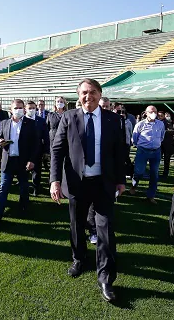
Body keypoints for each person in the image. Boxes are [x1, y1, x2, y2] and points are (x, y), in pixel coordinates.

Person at [50, 78, 125, 302]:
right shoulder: (69, 117)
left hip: (104, 183)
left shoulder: (113, 119)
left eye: (92, 92)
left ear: (100, 95)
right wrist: (55, 180)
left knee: (105, 230)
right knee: (77, 225)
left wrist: (120, 180)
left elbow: (119, 152)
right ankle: (79, 258)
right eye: (84, 92)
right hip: (76, 183)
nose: (88, 96)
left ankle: (105, 278)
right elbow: (57, 150)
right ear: (78, 95)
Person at [0, 99, 38, 222]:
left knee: (24, 187)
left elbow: (35, 144)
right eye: (15, 108)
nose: (18, 110)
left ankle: (23, 209)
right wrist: (0, 142)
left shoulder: (31, 123)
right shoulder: (4, 123)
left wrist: (32, 160)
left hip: (23, 161)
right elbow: (0, 137)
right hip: (8, 160)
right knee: (3, 187)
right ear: (11, 110)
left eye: (20, 108)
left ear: (24, 109)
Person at [130, 105, 165, 204]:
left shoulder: (160, 124)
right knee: (139, 172)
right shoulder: (140, 124)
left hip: (156, 151)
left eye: (155, 111)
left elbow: (162, 136)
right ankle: (134, 185)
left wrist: (156, 144)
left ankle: (151, 196)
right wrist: (142, 146)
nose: (153, 113)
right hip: (143, 151)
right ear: (146, 113)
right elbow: (135, 138)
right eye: (151, 111)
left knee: (154, 174)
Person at [25, 101, 50, 196]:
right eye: (29, 108)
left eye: (33, 108)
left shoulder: (41, 121)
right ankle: (25, 188)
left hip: (38, 150)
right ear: (25, 109)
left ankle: (36, 188)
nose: (31, 110)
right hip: (25, 150)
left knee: (37, 171)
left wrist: (46, 150)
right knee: (24, 171)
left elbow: (46, 136)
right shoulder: (22, 120)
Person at [158, 111, 174, 178]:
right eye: (158, 116)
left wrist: (164, 131)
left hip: (167, 144)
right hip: (159, 144)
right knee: (157, 159)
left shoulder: (168, 122)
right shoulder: (155, 122)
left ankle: (165, 173)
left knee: (166, 159)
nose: (160, 117)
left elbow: (172, 131)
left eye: (161, 115)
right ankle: (155, 172)